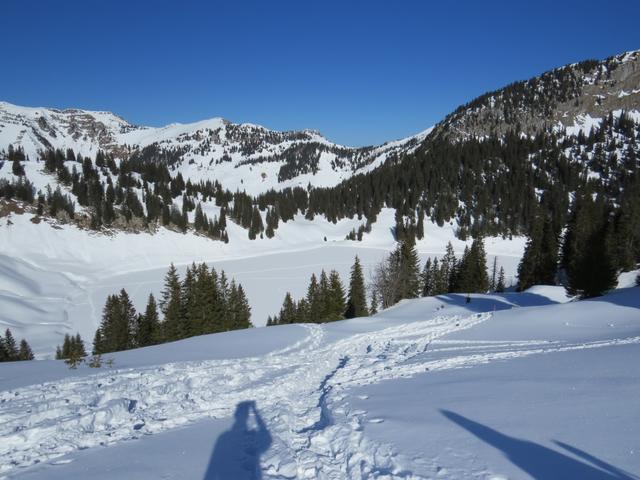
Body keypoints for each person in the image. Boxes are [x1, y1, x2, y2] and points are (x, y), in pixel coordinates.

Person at [204, 401, 272, 480]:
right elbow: (268, 440)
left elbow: (212, 466)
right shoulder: (224, 436)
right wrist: (255, 411)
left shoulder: (223, 436)